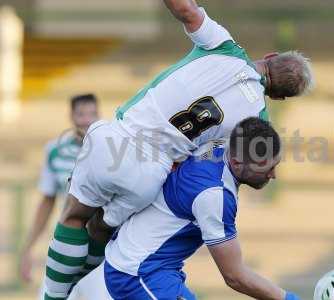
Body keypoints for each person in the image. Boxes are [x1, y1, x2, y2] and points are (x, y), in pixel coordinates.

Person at [43, 1, 314, 299]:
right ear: (280, 97)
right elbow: (228, 162)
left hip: (115, 139)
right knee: (99, 230)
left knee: (73, 218)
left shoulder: (224, 46)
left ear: (270, 56)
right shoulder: (254, 121)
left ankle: (53, 296)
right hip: (149, 174)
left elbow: (186, 10)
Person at [70, 117, 300, 300]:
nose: (273, 174)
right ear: (238, 163)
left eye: (275, 165)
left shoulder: (215, 144)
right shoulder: (214, 196)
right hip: (139, 273)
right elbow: (234, 276)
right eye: (266, 168)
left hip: (141, 261)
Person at [18, 94, 99, 296]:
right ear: (71, 116)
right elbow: (47, 201)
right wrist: (28, 249)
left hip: (101, 243)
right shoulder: (55, 150)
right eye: (81, 114)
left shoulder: (109, 149)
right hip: (66, 242)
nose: (87, 120)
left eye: (92, 113)